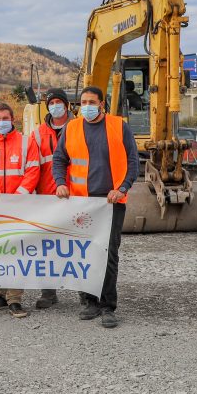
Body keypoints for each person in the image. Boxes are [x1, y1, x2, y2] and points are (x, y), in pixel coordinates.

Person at [53, 86, 139, 329]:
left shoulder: (118, 126)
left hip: (111, 202)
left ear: (102, 104)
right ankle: (90, 301)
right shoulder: (72, 128)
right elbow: (59, 159)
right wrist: (60, 183)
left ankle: (107, 306)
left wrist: (121, 188)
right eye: (83, 102)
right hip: (82, 203)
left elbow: (133, 162)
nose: (87, 106)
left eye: (92, 101)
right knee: (84, 254)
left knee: (108, 254)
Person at [0, 102, 40, 319]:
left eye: (5, 118)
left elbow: (33, 170)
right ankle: (0, 294)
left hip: (20, 207)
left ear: (13, 120)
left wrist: (18, 197)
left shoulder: (25, 141)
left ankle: (15, 299)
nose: (2, 122)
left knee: (17, 252)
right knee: (0, 252)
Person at [27, 87, 70, 311]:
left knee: (77, 244)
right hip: (46, 197)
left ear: (66, 105)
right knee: (47, 248)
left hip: (75, 197)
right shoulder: (37, 133)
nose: (55, 106)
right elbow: (33, 166)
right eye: (51, 102)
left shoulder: (78, 128)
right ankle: (48, 292)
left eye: (58, 102)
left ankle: (84, 291)